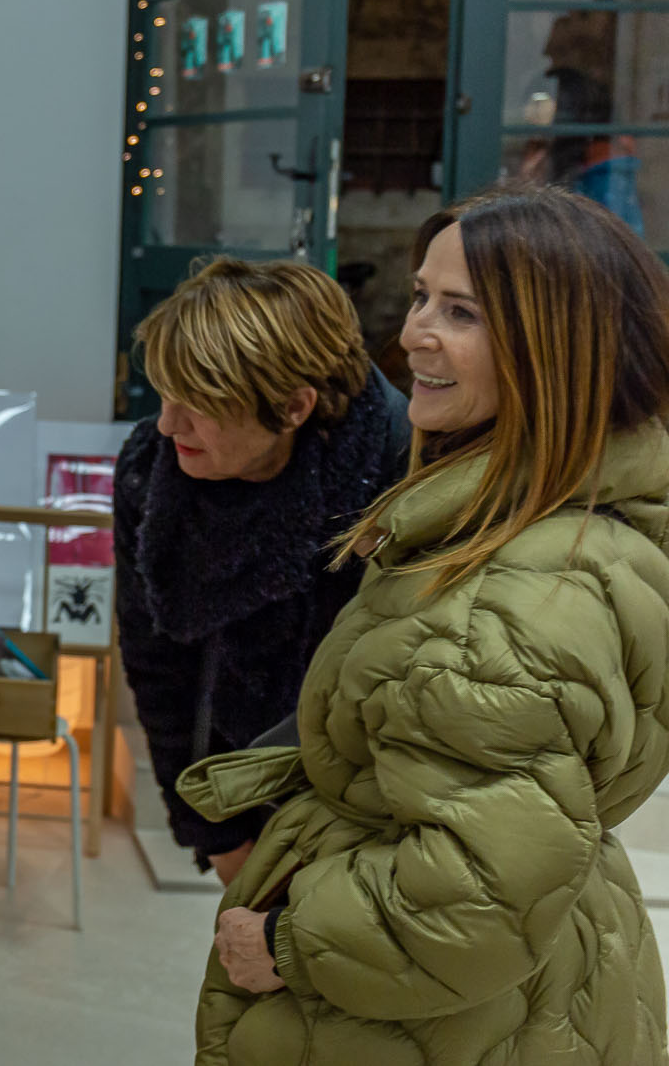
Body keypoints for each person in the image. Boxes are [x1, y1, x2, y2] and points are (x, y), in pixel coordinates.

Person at [181, 188, 669, 1063]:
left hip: (440, 1024)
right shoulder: (537, 525)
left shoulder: (506, 603)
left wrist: (288, 938)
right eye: (419, 297)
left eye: (461, 312)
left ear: (553, 346)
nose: (413, 333)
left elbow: (474, 895)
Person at [115, 259, 410, 882]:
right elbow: (156, 663)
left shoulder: (397, 480)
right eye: (165, 392)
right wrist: (212, 831)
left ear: (295, 407)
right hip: (235, 787)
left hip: (375, 819)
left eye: (198, 404)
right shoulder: (152, 469)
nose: (169, 423)